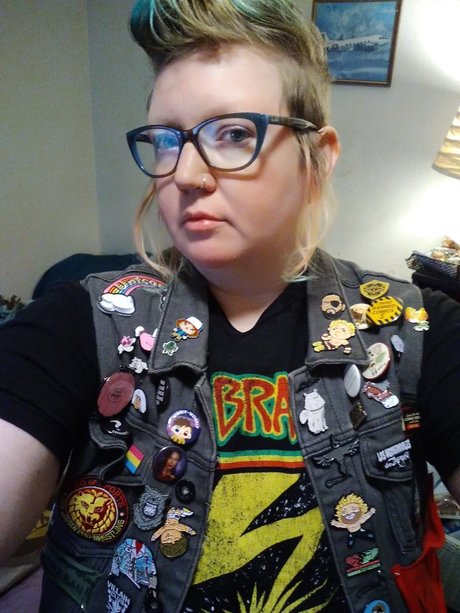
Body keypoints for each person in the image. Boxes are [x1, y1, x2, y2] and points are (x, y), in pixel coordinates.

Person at [0, 0, 459, 611]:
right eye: (168, 140)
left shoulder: (414, 330)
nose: (186, 174)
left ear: (317, 158)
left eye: (234, 133)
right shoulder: (82, 322)